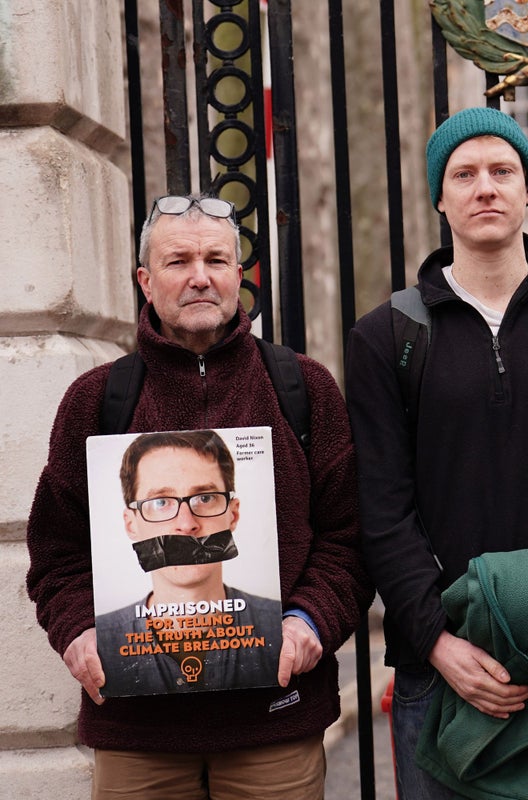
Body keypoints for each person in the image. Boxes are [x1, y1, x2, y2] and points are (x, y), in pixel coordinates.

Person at [26, 194, 374, 799]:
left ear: (239, 275)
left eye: (216, 259)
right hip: (137, 736)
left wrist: (308, 622)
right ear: (145, 279)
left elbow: (350, 538)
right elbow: (55, 555)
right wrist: (80, 632)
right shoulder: (94, 401)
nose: (199, 277)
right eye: (177, 261)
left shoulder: (304, 389)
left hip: (274, 725)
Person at [345, 106, 528, 799]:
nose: (486, 187)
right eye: (465, 174)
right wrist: (437, 643)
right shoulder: (385, 337)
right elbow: (384, 509)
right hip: (444, 671)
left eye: (503, 171)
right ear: (439, 197)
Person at [94, 430, 282, 696]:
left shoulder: (281, 628)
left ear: (233, 514)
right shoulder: (99, 643)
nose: (186, 524)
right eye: (160, 502)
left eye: (205, 498)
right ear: (131, 524)